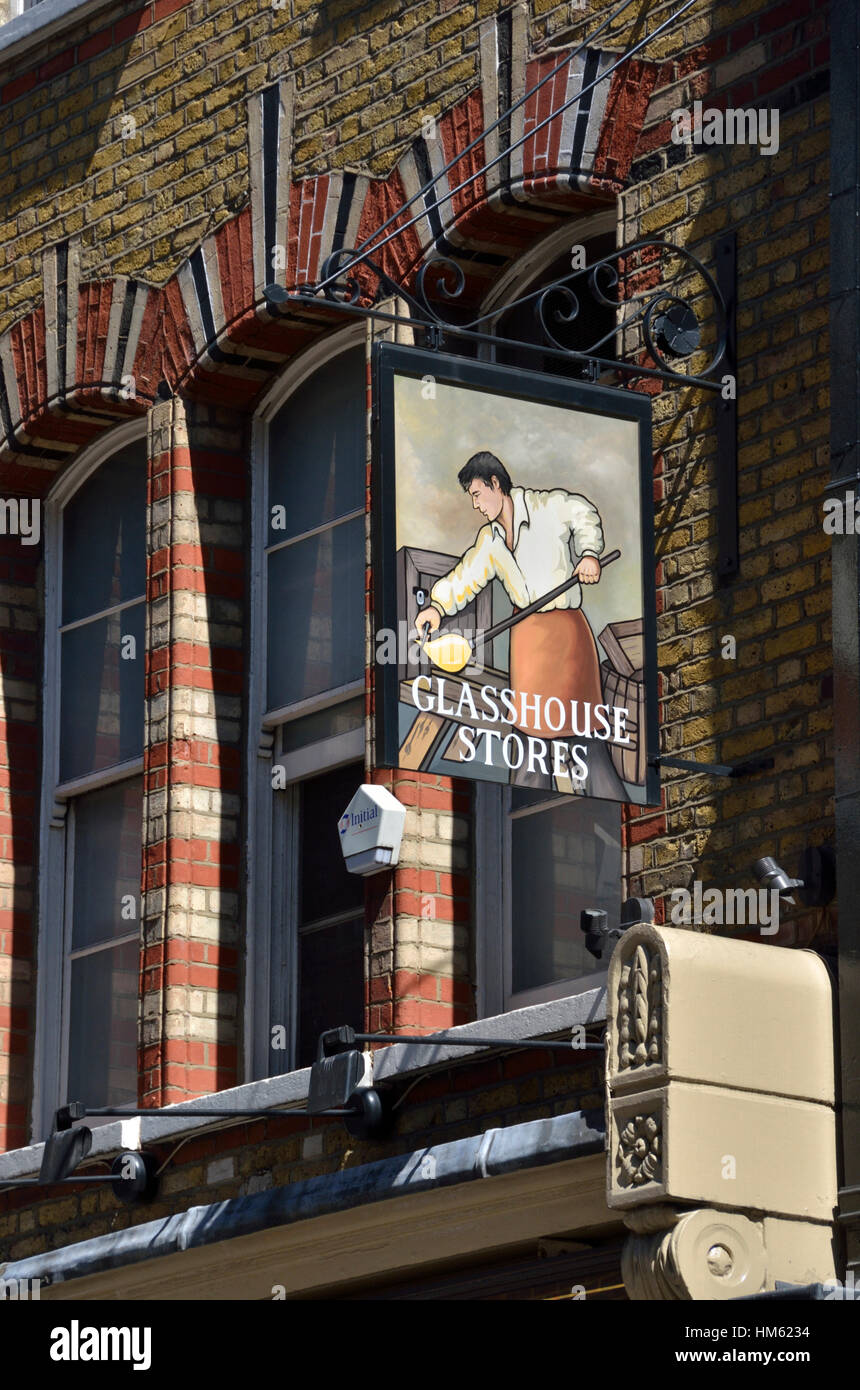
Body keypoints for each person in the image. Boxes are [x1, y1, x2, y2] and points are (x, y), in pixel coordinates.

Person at [415, 450, 626, 797]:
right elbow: (466, 577)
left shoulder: (547, 508)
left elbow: (584, 514)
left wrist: (589, 554)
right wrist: (437, 607)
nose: (476, 505)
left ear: (496, 484)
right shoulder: (491, 540)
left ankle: (614, 806)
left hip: (565, 636)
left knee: (584, 736)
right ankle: (527, 818)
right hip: (526, 642)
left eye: (477, 495)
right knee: (528, 746)